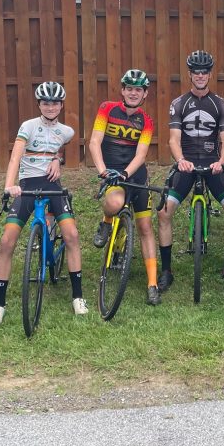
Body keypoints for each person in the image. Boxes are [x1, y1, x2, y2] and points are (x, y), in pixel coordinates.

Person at [0, 82, 86, 325]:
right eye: (45, 103)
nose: (50, 107)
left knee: (72, 235)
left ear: (62, 105)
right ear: (39, 104)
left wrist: (58, 159)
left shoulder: (67, 131)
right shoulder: (28, 126)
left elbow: (62, 144)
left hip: (53, 187)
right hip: (27, 185)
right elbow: (15, 157)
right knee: (6, 241)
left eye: (55, 103)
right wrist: (9, 185)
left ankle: (78, 296)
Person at [157, 50, 224, 292]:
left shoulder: (220, 104)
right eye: (196, 71)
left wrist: (222, 162)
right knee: (164, 213)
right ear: (190, 74)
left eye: (204, 72)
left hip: (212, 165)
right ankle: (166, 271)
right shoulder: (178, 104)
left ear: (210, 74)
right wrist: (181, 159)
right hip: (186, 165)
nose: (200, 76)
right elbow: (173, 139)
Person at [88, 69, 160, 305]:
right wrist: (103, 171)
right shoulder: (107, 109)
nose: (132, 92)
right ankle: (106, 224)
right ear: (122, 90)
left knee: (146, 227)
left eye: (138, 89)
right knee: (115, 202)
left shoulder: (146, 121)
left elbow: (141, 154)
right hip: (111, 174)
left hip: (135, 176)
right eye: (129, 88)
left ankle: (152, 284)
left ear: (145, 93)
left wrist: (126, 173)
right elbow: (95, 141)